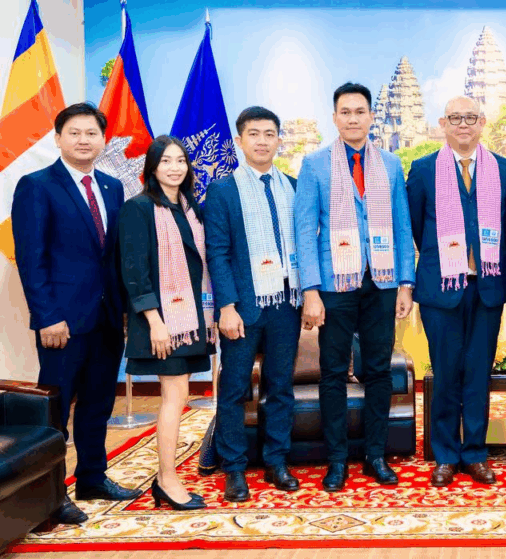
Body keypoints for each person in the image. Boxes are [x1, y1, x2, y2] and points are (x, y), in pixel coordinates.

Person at [11, 103, 141, 525]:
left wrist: (125, 309)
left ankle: (92, 478)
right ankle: (52, 494)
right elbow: (31, 259)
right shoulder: (36, 186)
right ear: (58, 138)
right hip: (61, 322)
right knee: (56, 413)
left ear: (102, 140)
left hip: (106, 317)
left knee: (98, 404)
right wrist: (47, 316)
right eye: (75, 132)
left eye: (91, 133)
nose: (84, 140)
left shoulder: (111, 186)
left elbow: (112, 256)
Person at [294, 83, 415, 491]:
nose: (353, 118)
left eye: (360, 111)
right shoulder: (314, 165)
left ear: (371, 117)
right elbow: (304, 231)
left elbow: (402, 227)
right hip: (334, 285)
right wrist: (310, 290)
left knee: (378, 371)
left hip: (382, 281)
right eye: (345, 112)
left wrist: (405, 284)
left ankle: (375, 456)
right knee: (332, 373)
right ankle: (337, 460)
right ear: (335, 118)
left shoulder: (391, 165)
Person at [407, 95, 506, 487]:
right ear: (443, 123)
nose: (463, 125)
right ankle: (445, 455)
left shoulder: (504, 170)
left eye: (470, 117)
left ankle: (474, 453)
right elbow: (416, 225)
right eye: (455, 117)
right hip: (441, 289)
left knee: (477, 374)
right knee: (445, 373)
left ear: (482, 122)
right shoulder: (423, 170)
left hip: (487, 288)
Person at [205, 107, 302, 501]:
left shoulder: (293, 186)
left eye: (269, 134)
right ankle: (234, 468)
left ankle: (276, 461)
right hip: (243, 307)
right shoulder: (223, 190)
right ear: (239, 140)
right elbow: (218, 252)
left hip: (286, 304)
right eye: (254, 134)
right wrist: (226, 306)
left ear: (279, 139)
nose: (262, 141)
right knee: (234, 388)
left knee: (280, 387)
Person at [119, 135, 216, 510]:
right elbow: (134, 271)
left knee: (179, 396)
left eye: (180, 161)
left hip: (190, 318)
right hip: (162, 323)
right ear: (152, 168)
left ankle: (167, 478)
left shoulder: (190, 209)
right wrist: (155, 322)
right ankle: (167, 480)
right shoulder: (139, 208)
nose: (174, 167)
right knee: (174, 398)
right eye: (166, 161)